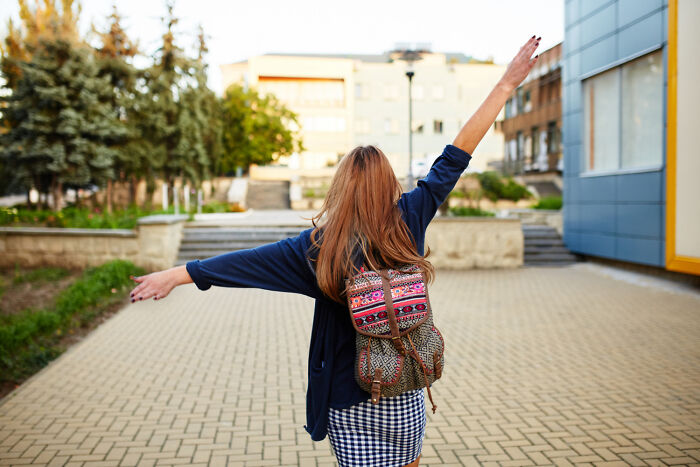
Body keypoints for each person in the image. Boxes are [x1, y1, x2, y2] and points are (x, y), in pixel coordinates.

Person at [129, 35, 541, 467]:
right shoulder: (410, 219)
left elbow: (245, 263)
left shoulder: (318, 249)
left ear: (341, 187)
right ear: (388, 183)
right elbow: (456, 155)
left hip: (348, 398)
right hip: (403, 393)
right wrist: (506, 86)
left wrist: (175, 275)